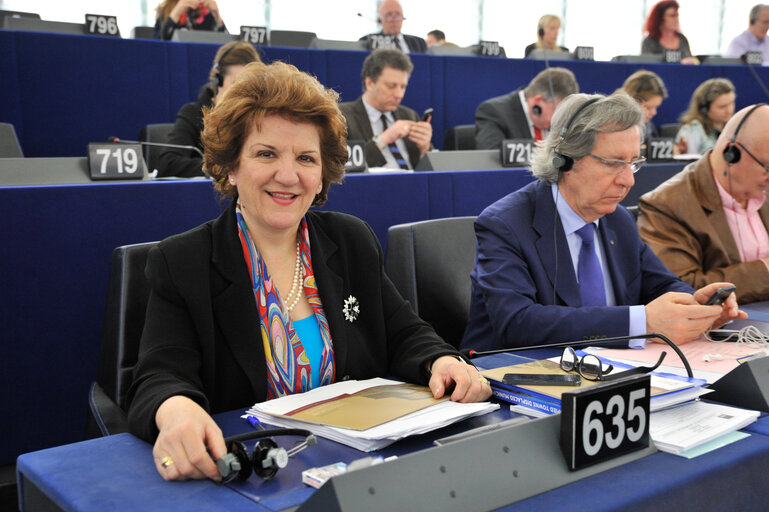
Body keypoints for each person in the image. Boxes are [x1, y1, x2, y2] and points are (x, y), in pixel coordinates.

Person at [127, 60, 490, 481]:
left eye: (305, 158)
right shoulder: (184, 261)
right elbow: (158, 375)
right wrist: (177, 412)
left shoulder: (351, 240)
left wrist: (442, 360)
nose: (288, 175)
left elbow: (404, 331)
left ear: (322, 175)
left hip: (355, 472)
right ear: (230, 166)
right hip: (252, 477)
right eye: (266, 154)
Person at [460, 93, 743, 352]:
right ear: (565, 159)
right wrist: (641, 322)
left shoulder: (617, 218)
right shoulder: (505, 224)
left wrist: (696, 305)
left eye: (633, 162)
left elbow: (660, 285)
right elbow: (518, 323)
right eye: (613, 163)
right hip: (511, 379)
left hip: (606, 374)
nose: (629, 181)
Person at [638, 104, 769, 304]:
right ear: (731, 153)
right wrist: (765, 270)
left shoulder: (761, 188)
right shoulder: (667, 205)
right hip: (725, 328)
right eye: (767, 167)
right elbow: (684, 288)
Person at [157, 41, 260, 178]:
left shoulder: (260, 119)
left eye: (249, 85)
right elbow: (168, 164)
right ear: (217, 79)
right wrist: (227, 170)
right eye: (236, 84)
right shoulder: (193, 113)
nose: (242, 92)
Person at [339, 49, 432, 170]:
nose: (399, 94)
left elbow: (427, 171)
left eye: (403, 87)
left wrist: (425, 148)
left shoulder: (409, 115)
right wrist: (384, 139)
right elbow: (342, 166)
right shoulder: (342, 116)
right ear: (369, 83)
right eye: (391, 86)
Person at [474, 67, 579, 150]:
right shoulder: (494, 112)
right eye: (558, 112)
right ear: (537, 102)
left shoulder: (563, 123)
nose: (562, 119)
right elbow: (492, 161)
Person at [675, 78, 736, 155]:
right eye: (722, 107)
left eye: (731, 103)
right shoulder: (691, 130)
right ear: (704, 109)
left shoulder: (736, 128)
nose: (729, 110)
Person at [616, 69, 668, 141]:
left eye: (656, 107)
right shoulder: (614, 127)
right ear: (630, 102)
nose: (654, 112)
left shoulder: (649, 127)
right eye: (648, 107)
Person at [359, 0, 427, 53]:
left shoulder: (419, 43)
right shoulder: (367, 41)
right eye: (389, 15)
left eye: (398, 14)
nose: (394, 20)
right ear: (380, 19)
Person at [153, 0, 226, 41]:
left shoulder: (208, 12)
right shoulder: (165, 9)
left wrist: (217, 15)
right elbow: (158, 43)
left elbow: (225, 42)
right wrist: (176, 13)